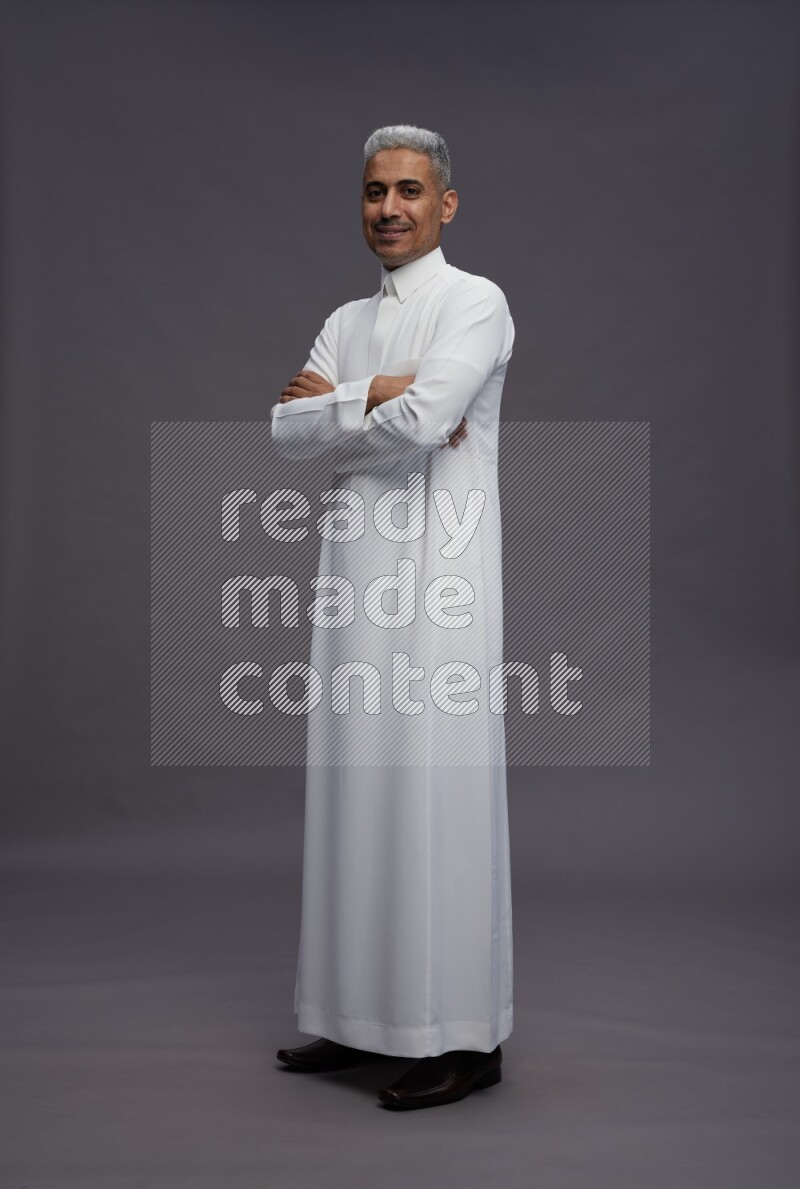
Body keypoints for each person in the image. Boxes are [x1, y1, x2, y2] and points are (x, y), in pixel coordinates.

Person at [270, 124, 514, 1110]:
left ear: (444, 204)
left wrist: (347, 406)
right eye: (374, 192)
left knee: (435, 799)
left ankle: (460, 1036)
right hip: (353, 585)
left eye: (408, 190)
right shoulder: (345, 316)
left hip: (440, 589)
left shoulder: (477, 303)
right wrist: (380, 391)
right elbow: (285, 431)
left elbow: (423, 423)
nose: (388, 208)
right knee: (350, 793)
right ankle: (352, 1013)